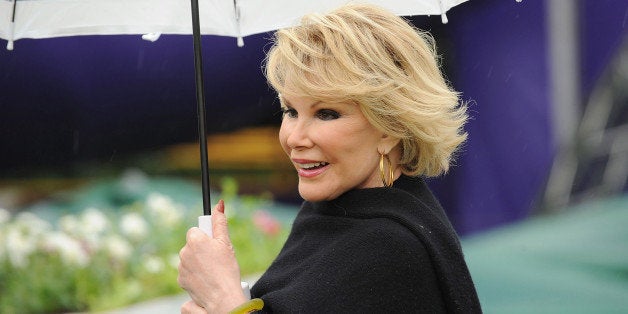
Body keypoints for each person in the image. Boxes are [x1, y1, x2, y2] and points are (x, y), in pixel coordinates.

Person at [178, 3, 481, 313]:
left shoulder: (391, 248)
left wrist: (224, 301)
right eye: (290, 111)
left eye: (326, 113)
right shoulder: (333, 214)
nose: (295, 138)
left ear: (391, 127)